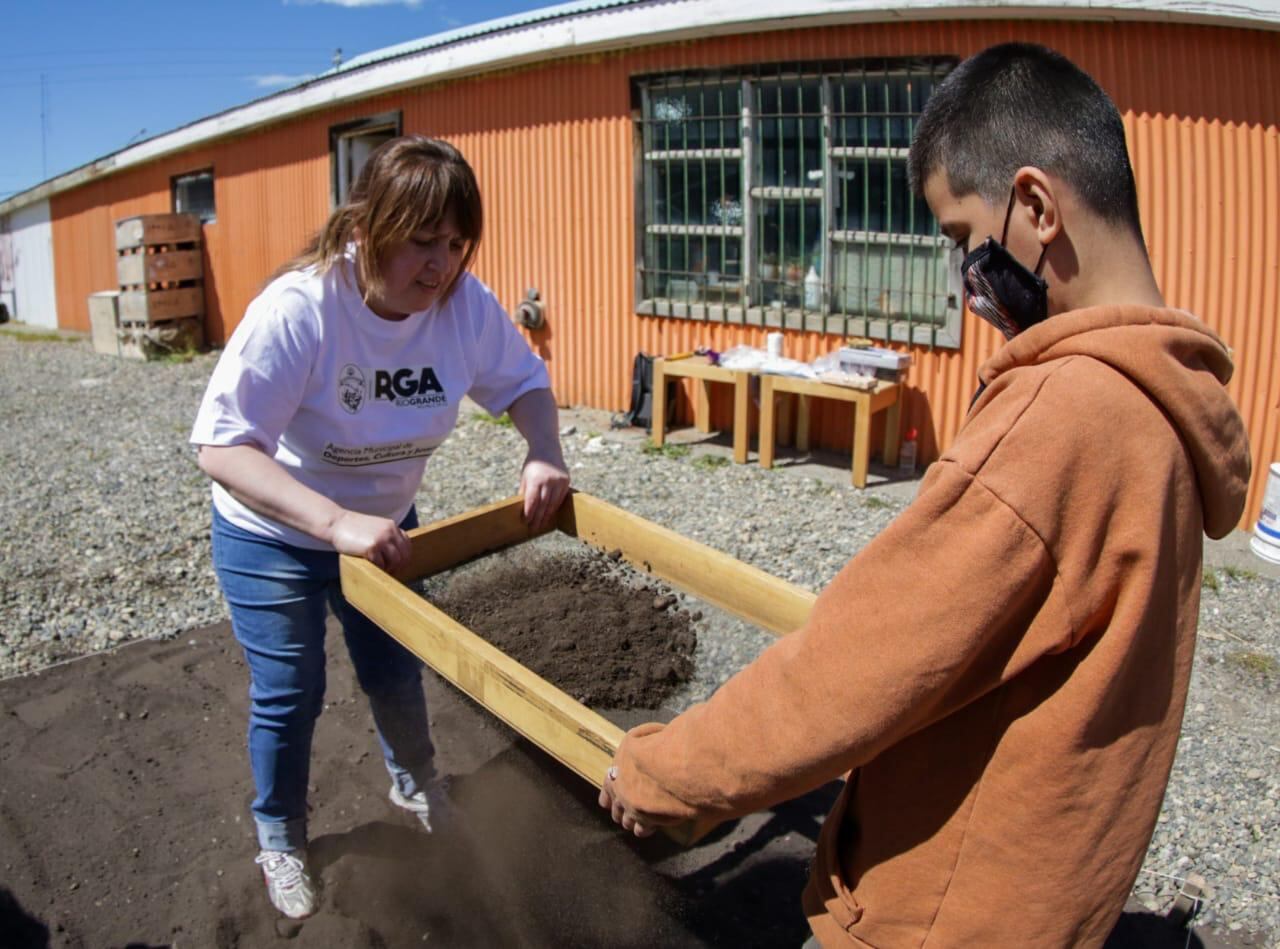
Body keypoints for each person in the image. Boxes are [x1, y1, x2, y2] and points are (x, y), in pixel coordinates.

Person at [599, 42, 1250, 947]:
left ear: (1035, 205)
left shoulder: (1063, 416)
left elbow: (855, 668)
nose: (967, 284)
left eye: (960, 239)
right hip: (1047, 897)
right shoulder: (1164, 406)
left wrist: (664, 773)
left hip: (941, 916)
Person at [191, 136, 570, 920]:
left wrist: (542, 450)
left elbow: (525, 381)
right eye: (423, 241)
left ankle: (417, 782)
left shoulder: (464, 307)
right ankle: (281, 835)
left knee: (397, 672)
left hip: (387, 528)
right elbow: (222, 445)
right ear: (368, 226)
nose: (440, 265)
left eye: (457, 243)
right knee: (291, 690)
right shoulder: (303, 309)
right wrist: (332, 521)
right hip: (276, 533)